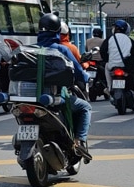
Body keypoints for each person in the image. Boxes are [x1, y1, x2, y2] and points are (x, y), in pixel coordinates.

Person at [35, 13, 93, 159]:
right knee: (85, 107)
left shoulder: (31, 50)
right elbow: (78, 71)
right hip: (56, 98)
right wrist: (85, 77)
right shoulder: (62, 49)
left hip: (32, 98)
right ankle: (79, 142)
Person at [100, 19, 134, 90]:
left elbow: (103, 52)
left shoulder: (109, 39)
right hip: (127, 66)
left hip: (112, 66)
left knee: (107, 66)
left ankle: (109, 87)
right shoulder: (130, 40)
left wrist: (108, 60)